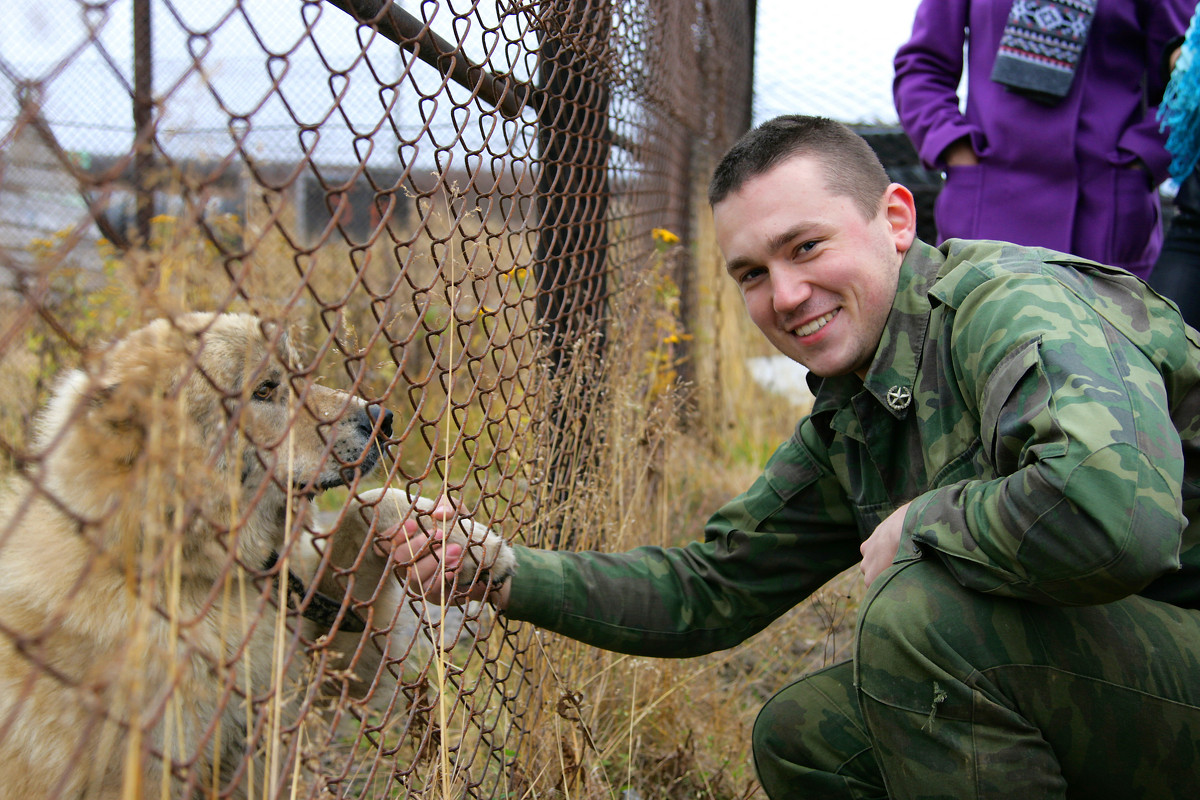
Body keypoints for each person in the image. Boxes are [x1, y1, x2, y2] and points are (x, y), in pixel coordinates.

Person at [385, 116, 1200, 798]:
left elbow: (1114, 515)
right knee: (807, 738)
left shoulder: (1012, 306)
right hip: (1144, 675)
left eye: (805, 247)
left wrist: (923, 520)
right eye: (751, 273)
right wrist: (499, 570)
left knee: (923, 624)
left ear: (896, 220)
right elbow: (706, 590)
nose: (783, 296)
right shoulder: (861, 409)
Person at [893, 0, 1191, 280]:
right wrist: (955, 147)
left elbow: (1188, 78)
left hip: (1102, 214)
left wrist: (1140, 160)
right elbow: (922, 68)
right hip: (987, 207)